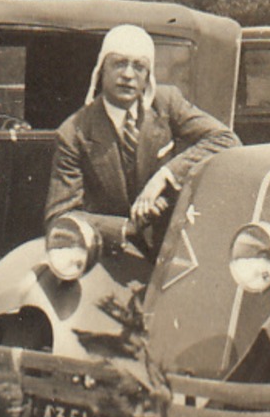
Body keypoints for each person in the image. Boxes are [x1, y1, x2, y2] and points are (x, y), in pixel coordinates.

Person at [45, 24, 239, 251]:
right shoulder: (73, 132)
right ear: (101, 70)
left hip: (171, 247)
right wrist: (126, 227)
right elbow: (60, 217)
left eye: (139, 67)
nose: (128, 75)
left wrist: (164, 177)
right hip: (112, 254)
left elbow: (225, 139)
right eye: (118, 63)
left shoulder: (167, 103)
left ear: (148, 75)